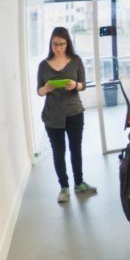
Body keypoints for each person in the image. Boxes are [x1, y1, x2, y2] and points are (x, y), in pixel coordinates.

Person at [37, 27, 96, 203]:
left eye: (62, 44)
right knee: (58, 151)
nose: (59, 48)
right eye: (55, 44)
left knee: (75, 148)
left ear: (67, 43)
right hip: (52, 115)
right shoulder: (43, 65)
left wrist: (75, 85)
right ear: (51, 44)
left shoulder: (76, 61)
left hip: (74, 112)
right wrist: (45, 89)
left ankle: (79, 183)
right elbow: (39, 91)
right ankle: (64, 187)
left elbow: (83, 84)